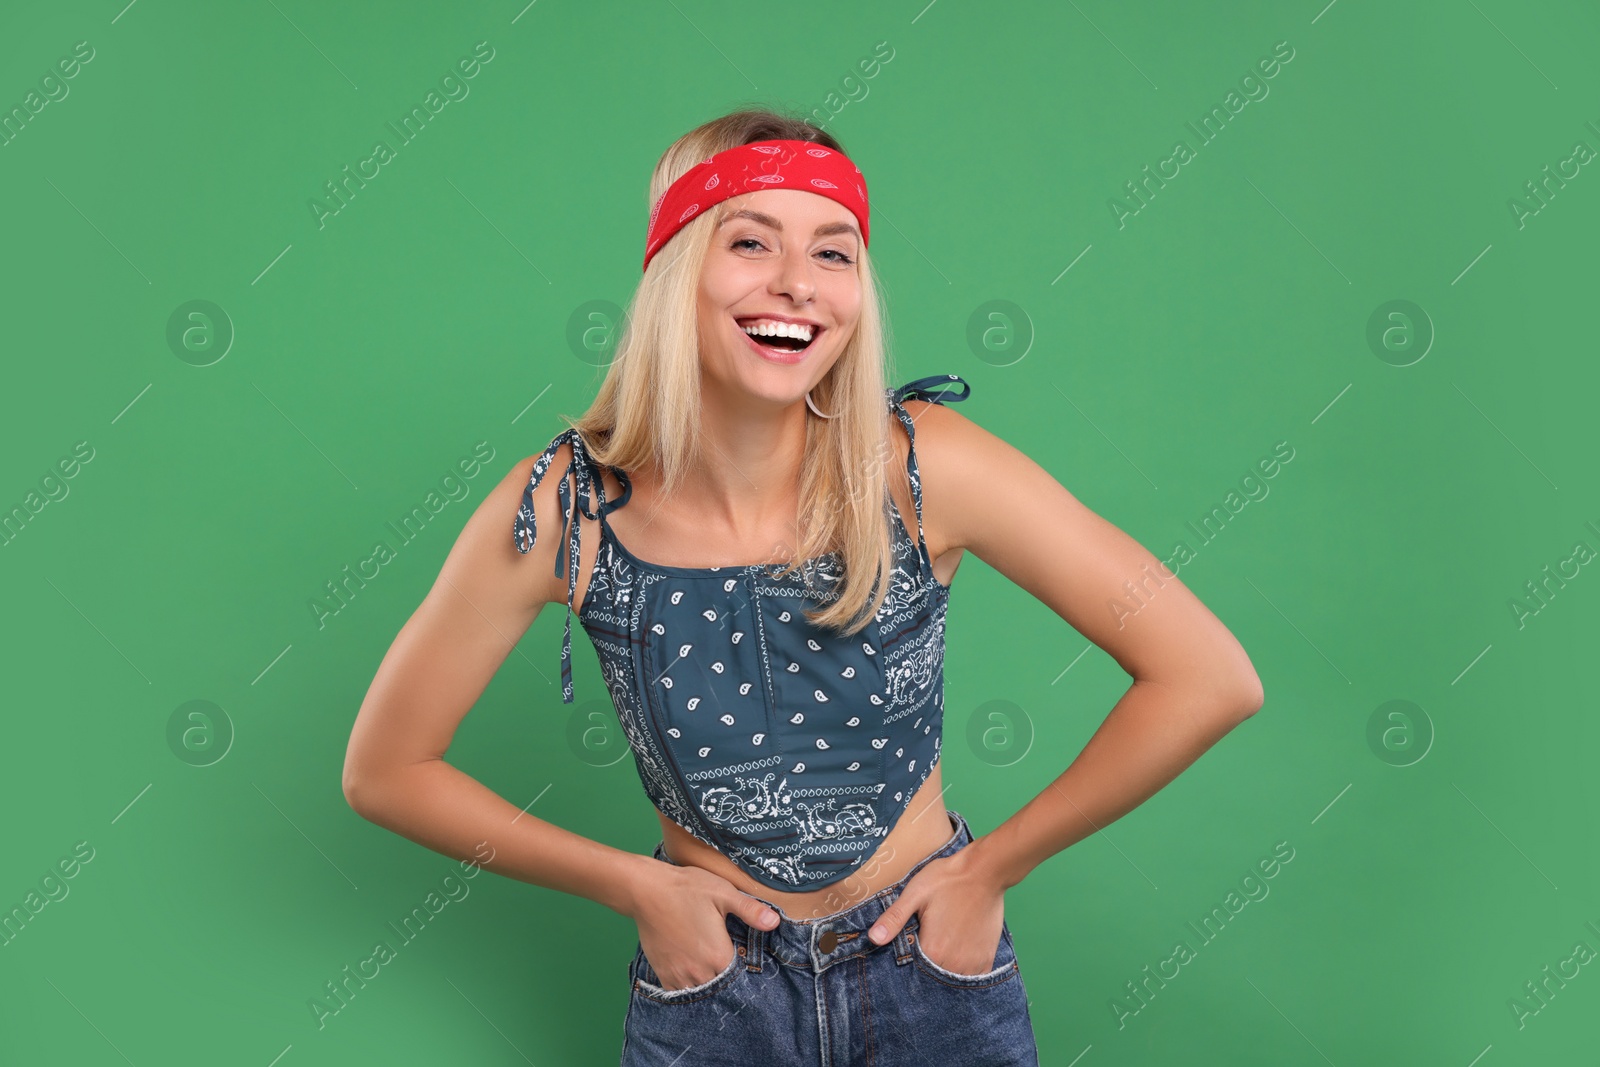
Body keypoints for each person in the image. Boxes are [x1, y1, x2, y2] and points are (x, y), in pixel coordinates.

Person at [342, 108, 1263, 1066]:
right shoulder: (565, 508)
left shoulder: (921, 467)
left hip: (932, 978)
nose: (797, 283)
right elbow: (386, 769)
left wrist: (993, 866)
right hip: (712, 995)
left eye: (835, 252)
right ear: (675, 268)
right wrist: (636, 886)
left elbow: (1207, 674)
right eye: (750, 241)